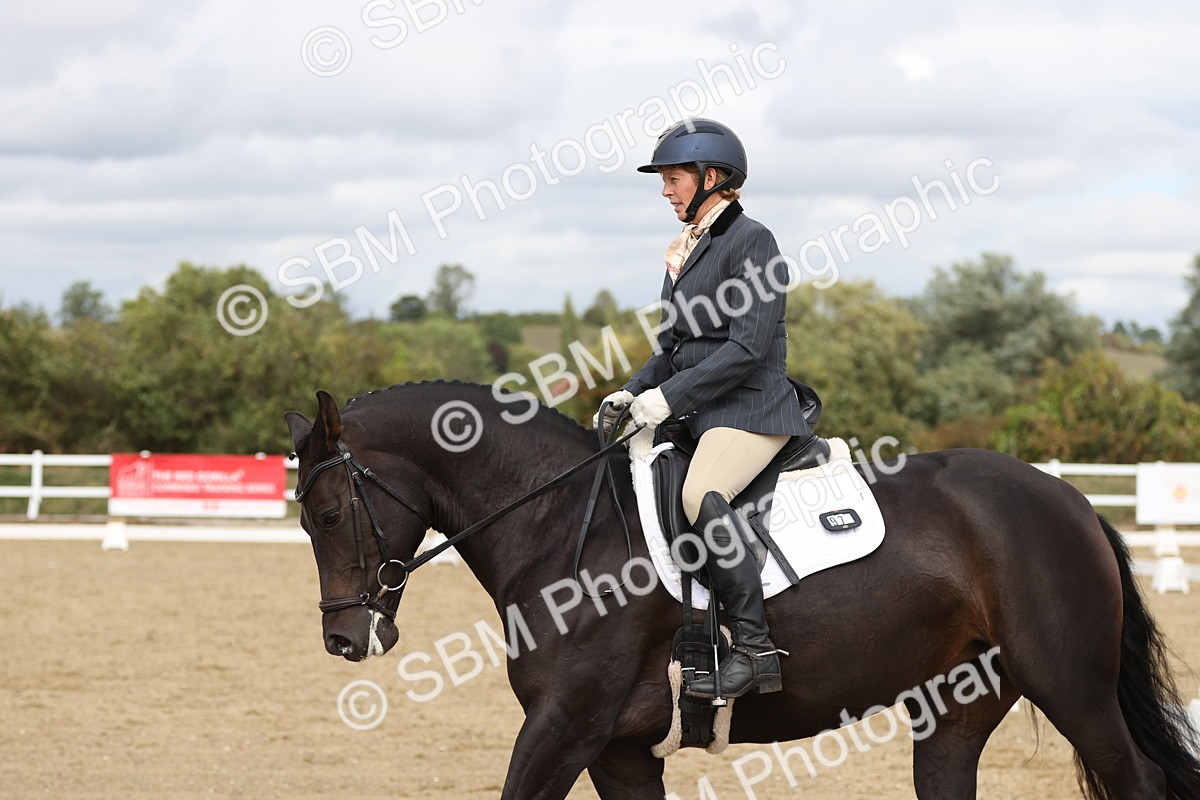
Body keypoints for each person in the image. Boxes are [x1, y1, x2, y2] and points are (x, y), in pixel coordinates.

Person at [593, 118, 811, 700]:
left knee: (698, 495)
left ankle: (754, 648)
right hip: (701, 410)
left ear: (712, 177)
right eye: (662, 180)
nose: (665, 191)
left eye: (673, 179)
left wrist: (667, 399)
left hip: (752, 409)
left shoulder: (752, 241)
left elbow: (747, 347)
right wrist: (633, 390)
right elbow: (672, 348)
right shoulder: (688, 250)